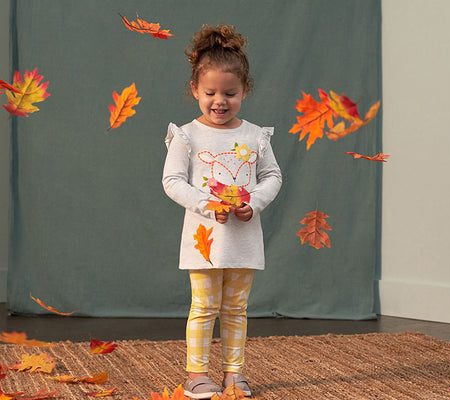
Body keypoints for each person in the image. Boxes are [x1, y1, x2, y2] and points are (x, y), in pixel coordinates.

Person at [162, 24, 282, 399]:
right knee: (203, 307)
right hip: (204, 240)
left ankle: (234, 373)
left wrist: (254, 203)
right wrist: (205, 205)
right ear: (194, 90)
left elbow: (272, 175)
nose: (220, 101)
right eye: (210, 92)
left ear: (244, 91)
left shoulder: (255, 135)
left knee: (236, 308)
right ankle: (196, 374)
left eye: (230, 93)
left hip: (243, 239)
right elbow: (172, 181)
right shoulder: (187, 136)